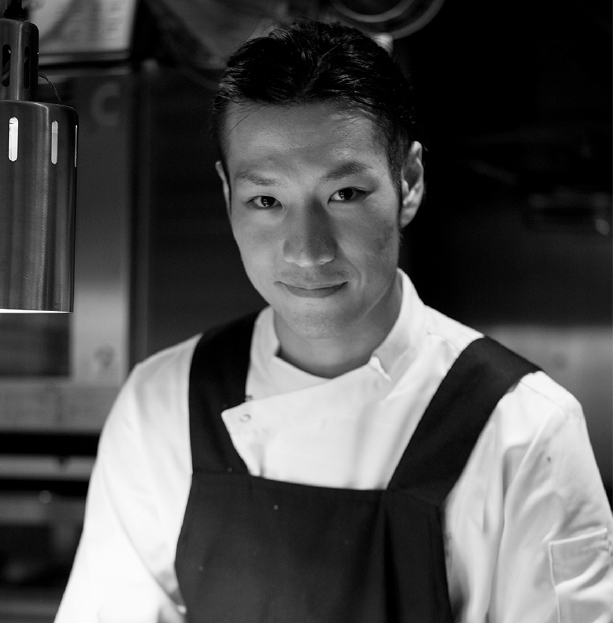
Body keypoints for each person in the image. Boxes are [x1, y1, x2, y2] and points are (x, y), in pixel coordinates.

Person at [55, 19, 612, 623]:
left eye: (344, 194)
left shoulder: (524, 430)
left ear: (409, 183)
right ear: (227, 195)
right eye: (266, 200)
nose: (307, 250)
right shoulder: (162, 405)